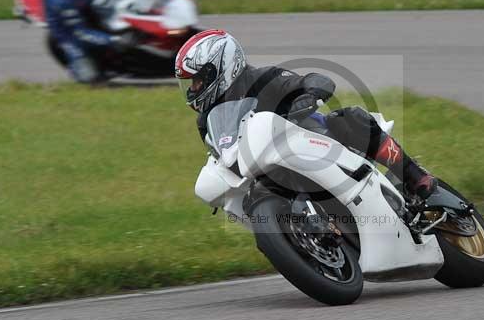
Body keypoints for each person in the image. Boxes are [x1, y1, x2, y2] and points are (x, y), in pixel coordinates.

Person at [175, 29, 437, 199]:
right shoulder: (207, 120)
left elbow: (308, 80)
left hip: (316, 140)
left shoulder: (263, 78)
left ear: (222, 67)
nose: (193, 89)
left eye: (197, 80)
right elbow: (222, 152)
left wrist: (310, 93)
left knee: (349, 118)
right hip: (270, 169)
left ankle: (415, 176)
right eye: (190, 83)